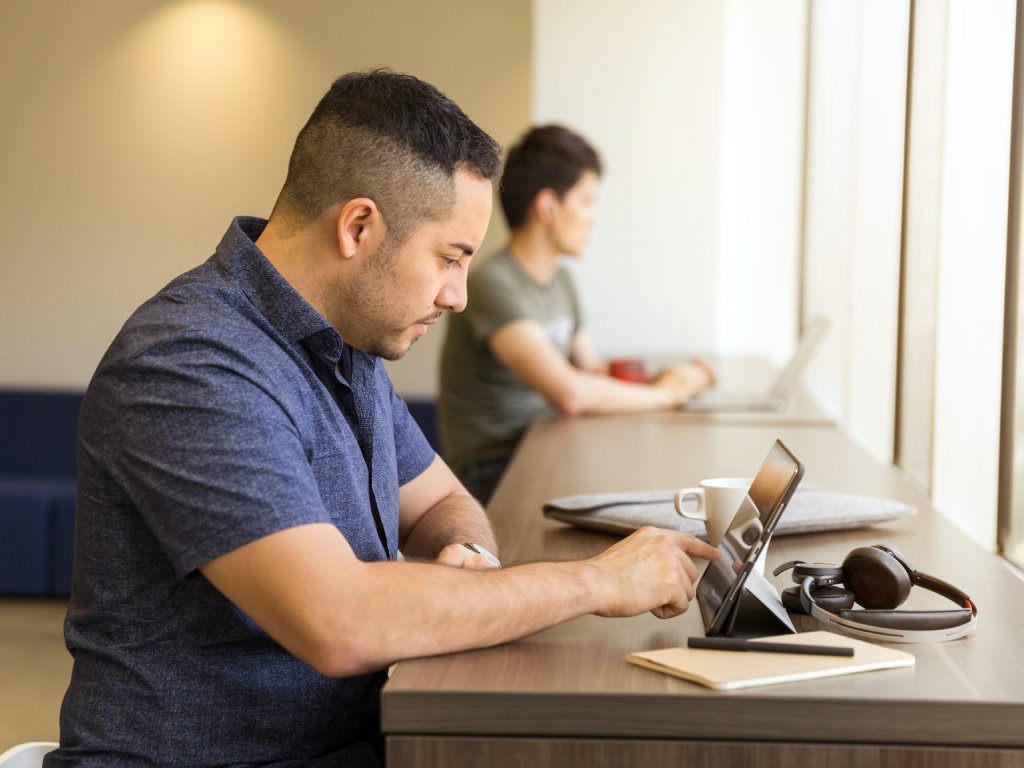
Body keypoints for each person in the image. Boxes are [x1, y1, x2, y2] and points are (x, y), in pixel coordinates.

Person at [46, 71, 718, 767]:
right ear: (359, 226)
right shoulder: (189, 363)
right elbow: (337, 620)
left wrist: (471, 563)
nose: (458, 295)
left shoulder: (348, 346)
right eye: (450, 258)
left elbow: (445, 503)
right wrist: (599, 582)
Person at [439, 125, 714, 504]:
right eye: (586, 202)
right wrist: (666, 395)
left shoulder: (561, 281)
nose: (592, 218)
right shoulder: (492, 284)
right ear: (548, 207)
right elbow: (569, 391)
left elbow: (590, 371)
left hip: (548, 443)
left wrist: (664, 377)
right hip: (497, 470)